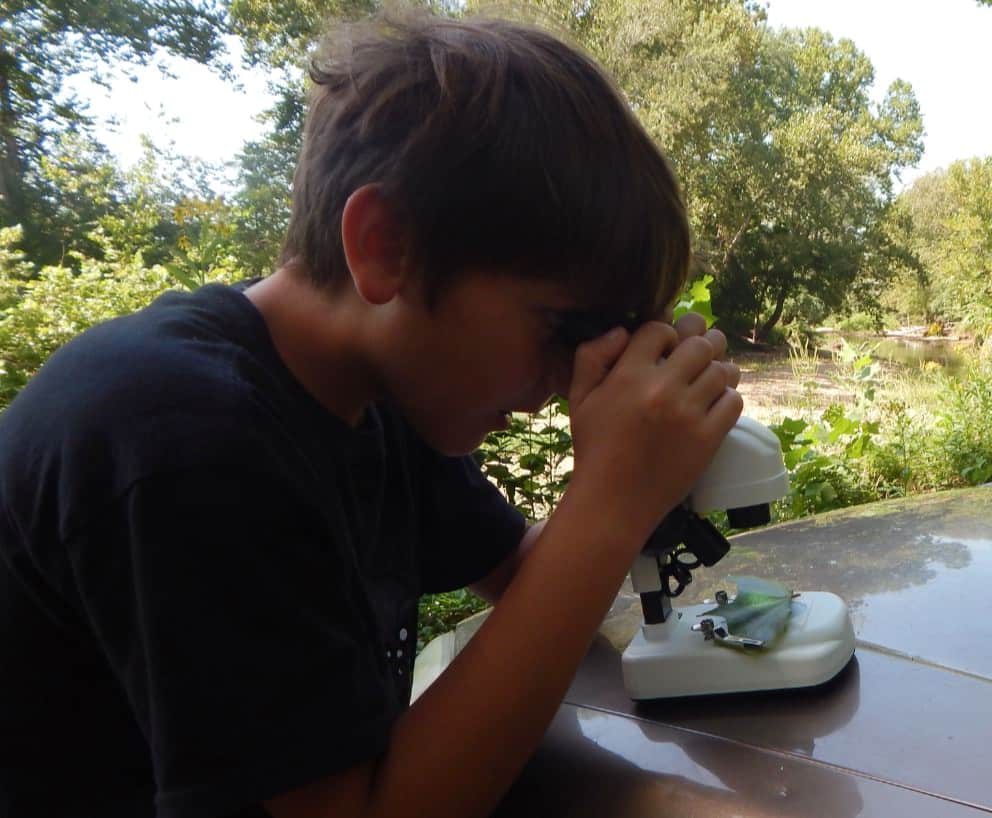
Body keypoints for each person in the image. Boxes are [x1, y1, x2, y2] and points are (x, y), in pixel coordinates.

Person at [0, 11, 741, 818]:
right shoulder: (182, 436)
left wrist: (639, 469)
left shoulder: (369, 395)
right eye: (566, 329)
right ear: (385, 246)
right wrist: (610, 500)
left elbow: (531, 580)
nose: (568, 382)